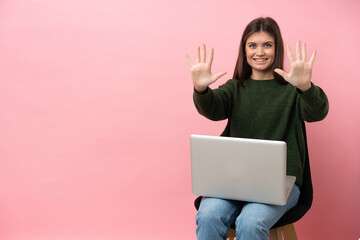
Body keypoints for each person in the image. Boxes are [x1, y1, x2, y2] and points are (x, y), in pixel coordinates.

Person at [185, 17, 329, 240]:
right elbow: (212, 109)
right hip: (232, 181)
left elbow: (318, 112)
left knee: (251, 222)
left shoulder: (292, 90)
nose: (259, 52)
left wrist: (305, 87)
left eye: (267, 45)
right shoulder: (235, 88)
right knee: (208, 216)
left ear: (276, 48)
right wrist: (201, 89)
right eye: (252, 45)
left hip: (281, 182)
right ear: (244, 50)